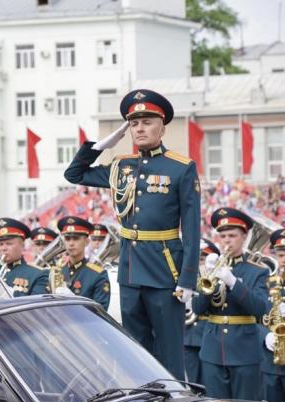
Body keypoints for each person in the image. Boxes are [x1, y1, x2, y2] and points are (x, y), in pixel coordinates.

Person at [63, 89, 200, 380]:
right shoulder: (121, 166)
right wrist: (101, 145)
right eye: (134, 123)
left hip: (166, 272)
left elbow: (192, 229)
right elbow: (74, 174)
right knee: (136, 353)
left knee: (169, 355)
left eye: (147, 122)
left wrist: (188, 278)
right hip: (130, 269)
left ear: (162, 127)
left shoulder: (181, 168)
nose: (140, 128)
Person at [192, 208, 270, 401]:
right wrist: (208, 283)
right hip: (213, 350)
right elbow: (197, 308)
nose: (227, 240)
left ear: (244, 237)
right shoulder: (211, 268)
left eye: (232, 235)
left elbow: (261, 309)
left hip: (245, 351)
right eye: (223, 235)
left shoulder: (257, 271)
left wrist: (233, 282)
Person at [53, 216, 110, 311]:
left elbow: (100, 313)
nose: (71, 243)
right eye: (67, 238)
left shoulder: (98, 274)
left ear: (87, 242)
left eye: (76, 238)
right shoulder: (58, 270)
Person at [183, 238, 218, 385]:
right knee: (190, 383)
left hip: (208, 335)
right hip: (187, 336)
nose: (198, 263)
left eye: (202, 259)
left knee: (209, 385)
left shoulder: (216, 279)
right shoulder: (184, 278)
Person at [0, 218, 48, 297]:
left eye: (9, 243)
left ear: (22, 246)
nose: (4, 248)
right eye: (1, 244)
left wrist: (10, 295)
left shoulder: (38, 274)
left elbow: (36, 306)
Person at [261, 228, 285, 402]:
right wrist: (264, 335)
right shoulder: (268, 282)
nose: (283, 260)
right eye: (281, 255)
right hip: (271, 363)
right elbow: (255, 315)